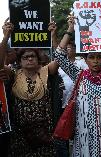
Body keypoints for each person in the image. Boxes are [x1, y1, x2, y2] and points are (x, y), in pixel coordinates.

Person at [53, 15, 101, 157]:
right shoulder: (79, 74)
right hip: (85, 132)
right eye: (91, 57)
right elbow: (58, 55)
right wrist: (70, 28)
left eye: (98, 57)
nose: (96, 61)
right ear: (85, 59)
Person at [0, 20, 59, 156]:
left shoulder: (46, 72)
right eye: (25, 57)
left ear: (38, 59)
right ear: (19, 61)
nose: (30, 59)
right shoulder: (13, 74)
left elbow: (60, 60)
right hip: (20, 135)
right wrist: (6, 36)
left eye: (32, 56)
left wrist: (53, 36)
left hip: (45, 134)